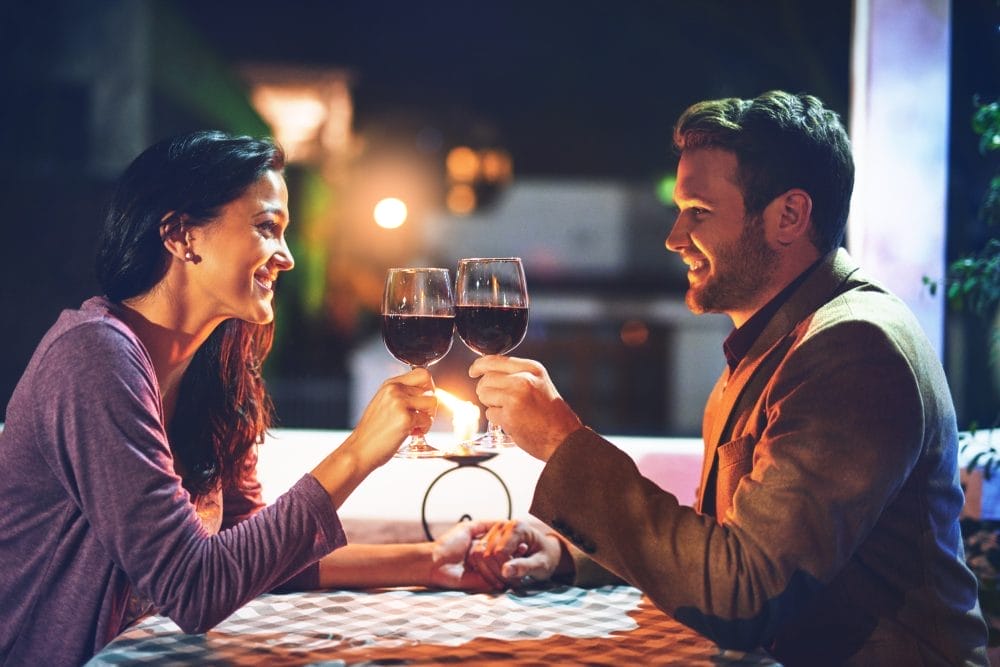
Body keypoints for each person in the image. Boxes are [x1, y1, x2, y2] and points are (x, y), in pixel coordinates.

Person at [466, 91, 990, 664]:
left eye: (699, 212)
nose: (674, 236)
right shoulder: (776, 341)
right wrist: (568, 554)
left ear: (789, 216)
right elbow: (721, 542)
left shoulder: (853, 351)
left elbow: (744, 594)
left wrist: (564, 444)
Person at [0, 131, 495, 666]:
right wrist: (358, 454)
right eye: (267, 228)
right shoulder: (93, 357)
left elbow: (252, 556)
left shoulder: (216, 368)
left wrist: (431, 562)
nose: (286, 258)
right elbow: (194, 586)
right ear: (180, 234)